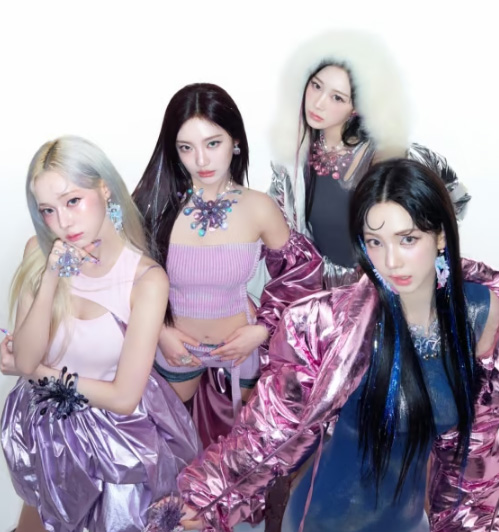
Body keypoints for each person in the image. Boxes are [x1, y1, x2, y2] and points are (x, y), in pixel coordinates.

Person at [147, 159, 499, 532]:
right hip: (320, 521)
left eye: (407, 239)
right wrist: (203, 499)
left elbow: (475, 457)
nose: (391, 261)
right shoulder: (327, 324)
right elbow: (268, 432)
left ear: (440, 235)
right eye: (375, 242)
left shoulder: (480, 315)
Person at [0, 136, 200, 532]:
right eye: (48, 210)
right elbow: (24, 356)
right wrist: (51, 275)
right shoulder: (40, 252)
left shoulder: (145, 279)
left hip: (112, 442)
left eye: (73, 201)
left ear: (104, 188)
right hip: (43, 432)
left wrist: (38, 373)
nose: (63, 222)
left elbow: (123, 398)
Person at [132, 83, 322, 446]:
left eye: (212, 143)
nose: (201, 161)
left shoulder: (259, 207)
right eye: (186, 148)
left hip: (241, 353)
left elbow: (302, 276)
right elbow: (122, 279)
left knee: (241, 460)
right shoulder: (152, 205)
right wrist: (159, 331)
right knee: (169, 457)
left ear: (235, 141)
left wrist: (262, 331)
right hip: (172, 351)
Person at [265, 29, 470, 289]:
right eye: (316, 86)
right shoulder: (292, 163)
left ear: (356, 107)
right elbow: (279, 229)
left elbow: (455, 198)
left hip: (379, 290)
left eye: (337, 97)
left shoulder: (386, 156)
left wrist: (419, 253)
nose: (318, 103)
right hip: (318, 291)